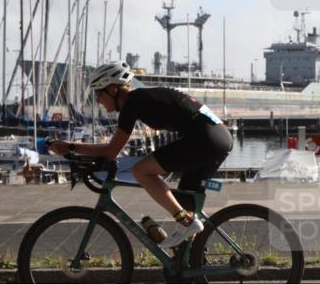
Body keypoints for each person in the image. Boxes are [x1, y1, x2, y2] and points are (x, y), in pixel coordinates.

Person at [47, 61, 233, 249]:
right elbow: (113, 149)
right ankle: (189, 256)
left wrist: (70, 147)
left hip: (206, 140)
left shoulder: (133, 102)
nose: (97, 101)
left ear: (112, 89)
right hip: (217, 137)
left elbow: (112, 151)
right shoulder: (140, 98)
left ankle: (185, 221)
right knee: (186, 200)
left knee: (141, 171)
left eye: (98, 93)